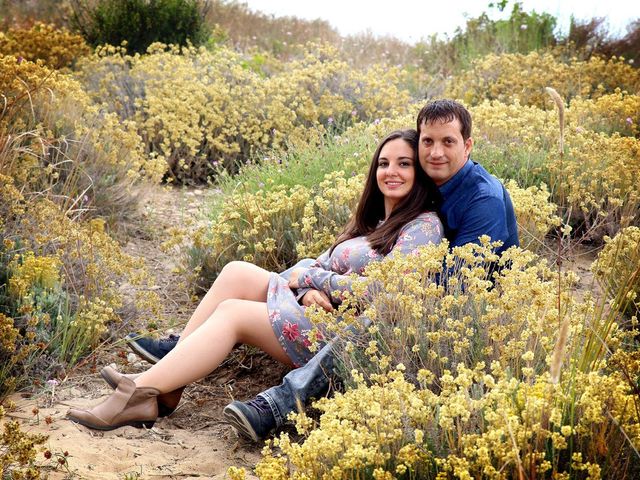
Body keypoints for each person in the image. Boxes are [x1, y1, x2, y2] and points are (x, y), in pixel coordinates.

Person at [124, 99, 520, 441]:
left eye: (448, 142)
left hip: (450, 314)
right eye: (427, 142)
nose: (434, 152)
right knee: (237, 272)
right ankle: (175, 360)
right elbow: (331, 259)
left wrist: (329, 287)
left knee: (387, 308)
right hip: (379, 293)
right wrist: (312, 286)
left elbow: (448, 287)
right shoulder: (420, 194)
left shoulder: (477, 200)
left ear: (467, 145)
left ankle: (282, 402)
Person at [66, 129, 445, 431]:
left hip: (343, 338)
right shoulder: (373, 221)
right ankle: (166, 384)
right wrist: (311, 286)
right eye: (383, 163)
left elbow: (387, 292)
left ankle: (143, 391)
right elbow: (316, 263)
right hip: (319, 312)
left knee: (232, 313)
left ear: (420, 174)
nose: (390, 171)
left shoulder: (423, 226)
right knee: (237, 272)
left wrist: (312, 279)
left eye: (404, 164)